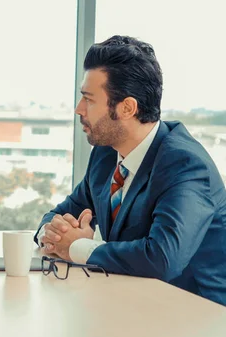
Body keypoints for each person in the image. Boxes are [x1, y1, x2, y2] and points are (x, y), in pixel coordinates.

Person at [36, 35, 226, 306]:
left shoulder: (185, 165)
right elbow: (63, 212)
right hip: (132, 306)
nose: (79, 110)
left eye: (89, 100)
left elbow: (162, 258)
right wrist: (51, 233)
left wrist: (77, 247)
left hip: (196, 317)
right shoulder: (105, 154)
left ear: (127, 108)